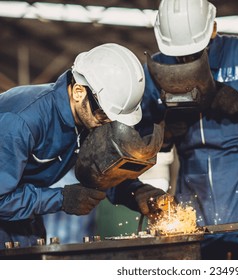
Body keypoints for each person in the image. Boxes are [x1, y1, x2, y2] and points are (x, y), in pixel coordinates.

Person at [141, 0, 238, 259]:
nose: (185, 59)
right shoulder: (157, 70)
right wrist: (166, 130)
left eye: (194, 50)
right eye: (178, 53)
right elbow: (140, 140)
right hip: (192, 212)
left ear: (213, 28)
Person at [0, 43, 169, 249]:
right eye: (105, 114)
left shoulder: (88, 118)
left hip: (22, 220)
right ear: (79, 92)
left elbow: (99, 174)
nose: (107, 123)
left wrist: (137, 193)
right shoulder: (20, 122)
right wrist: (62, 198)